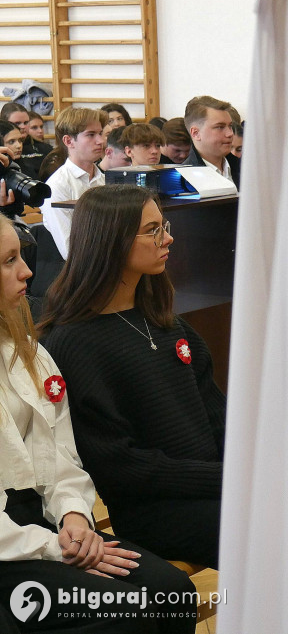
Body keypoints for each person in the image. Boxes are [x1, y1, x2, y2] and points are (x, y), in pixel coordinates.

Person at [0, 213, 197, 633]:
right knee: (124, 612)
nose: (27, 271)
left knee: (173, 592)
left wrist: (73, 519)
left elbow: (59, 453)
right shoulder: (68, 339)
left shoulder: (27, 351)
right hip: (7, 546)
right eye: (8, 261)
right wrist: (55, 547)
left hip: (44, 521)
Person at [41, 185, 225, 568]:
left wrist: (248, 468)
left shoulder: (167, 322)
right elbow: (120, 467)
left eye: (164, 226)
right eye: (152, 230)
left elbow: (217, 417)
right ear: (112, 241)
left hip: (213, 487)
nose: (168, 238)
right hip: (154, 512)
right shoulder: (72, 343)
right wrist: (229, 478)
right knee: (282, 523)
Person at [39, 107, 106, 259]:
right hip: (77, 267)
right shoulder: (56, 186)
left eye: (100, 133)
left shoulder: (103, 179)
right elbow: (70, 250)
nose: (101, 141)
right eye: (91, 135)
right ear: (68, 141)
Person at [181, 95, 240, 186]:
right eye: (220, 127)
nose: (230, 133)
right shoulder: (183, 181)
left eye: (230, 126)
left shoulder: (246, 168)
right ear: (196, 133)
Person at [19, 110, 53, 179]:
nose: (40, 131)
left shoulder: (48, 149)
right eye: (34, 127)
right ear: (25, 129)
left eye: (41, 127)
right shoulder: (17, 149)